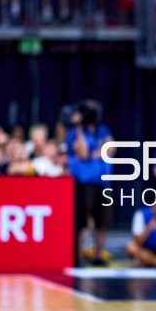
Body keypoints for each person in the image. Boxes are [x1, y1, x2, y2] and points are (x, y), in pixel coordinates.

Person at [66, 100, 114, 266]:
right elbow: (83, 152)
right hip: (84, 183)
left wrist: (96, 153)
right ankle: (77, 255)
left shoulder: (103, 130)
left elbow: (111, 148)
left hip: (104, 183)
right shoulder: (75, 133)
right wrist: (79, 127)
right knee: (83, 222)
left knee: (103, 222)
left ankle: (98, 255)